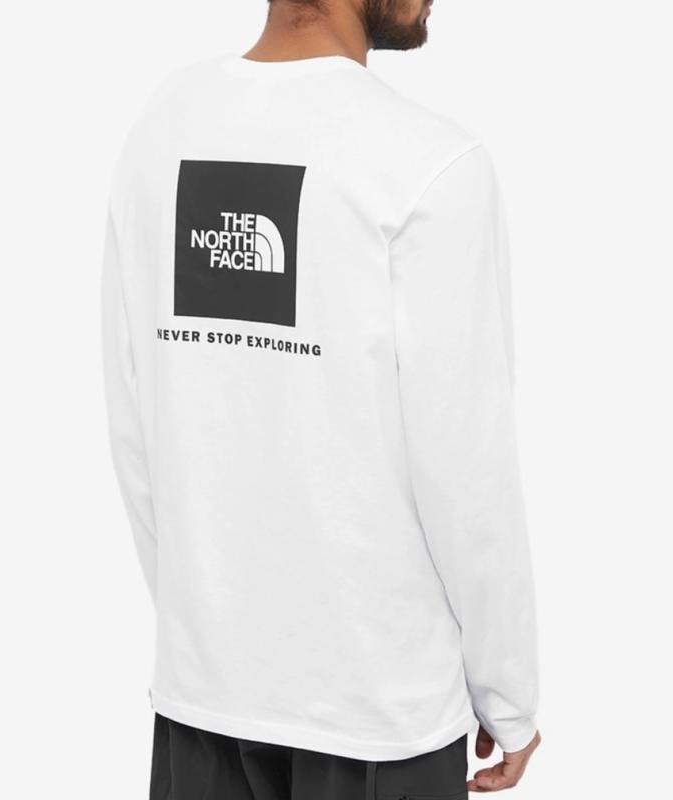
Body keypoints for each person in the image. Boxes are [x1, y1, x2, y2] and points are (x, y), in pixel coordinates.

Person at [101, 0, 541, 797]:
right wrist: (508, 696)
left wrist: (203, 630)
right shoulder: (430, 163)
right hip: (379, 717)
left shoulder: (160, 131)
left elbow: (134, 422)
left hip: (203, 701)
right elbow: (467, 472)